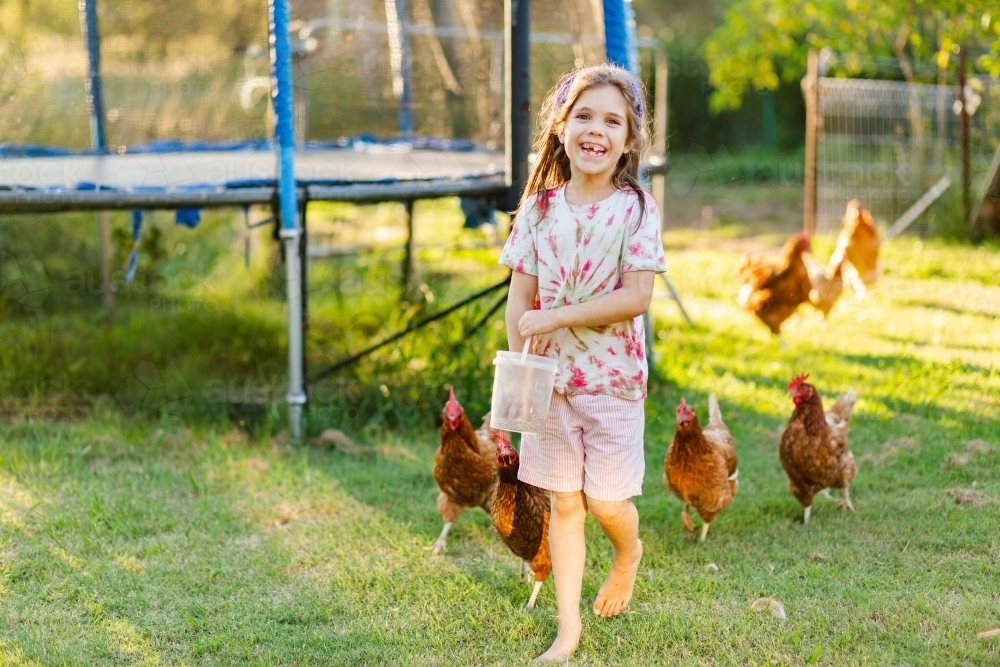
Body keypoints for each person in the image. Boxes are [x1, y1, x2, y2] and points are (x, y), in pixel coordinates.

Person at [498, 63, 666, 662]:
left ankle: (628, 551)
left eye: (612, 120)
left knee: (606, 504)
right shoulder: (539, 209)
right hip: (551, 384)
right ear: (561, 127)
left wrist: (556, 317)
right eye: (584, 116)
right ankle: (567, 631)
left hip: (612, 382)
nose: (596, 129)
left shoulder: (637, 209)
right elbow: (521, 293)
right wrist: (521, 357)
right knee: (565, 504)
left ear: (629, 140)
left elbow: (636, 297)